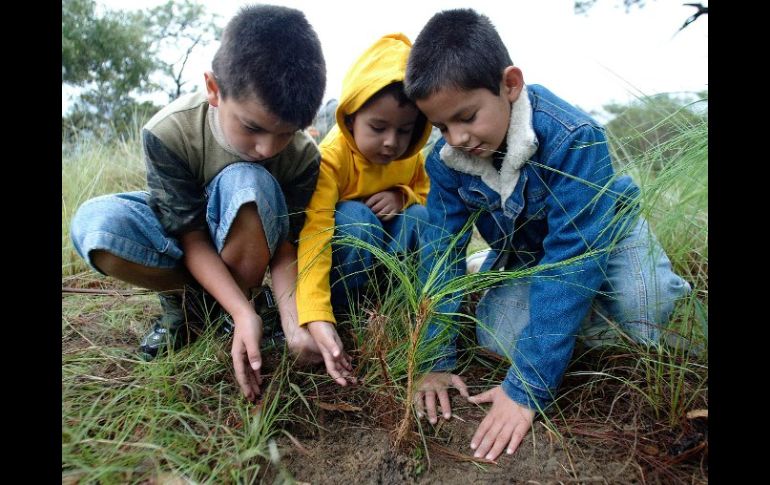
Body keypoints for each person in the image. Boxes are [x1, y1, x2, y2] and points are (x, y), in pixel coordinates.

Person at [403, 9, 691, 461]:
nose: (456, 138)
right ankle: (563, 313)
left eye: (467, 117)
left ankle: (617, 299)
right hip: (530, 255)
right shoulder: (444, 161)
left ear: (511, 85)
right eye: (440, 127)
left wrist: (527, 387)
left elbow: (574, 260)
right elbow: (441, 255)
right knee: (495, 338)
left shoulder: (575, 136)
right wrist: (434, 359)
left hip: (600, 236)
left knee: (646, 311)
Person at [69, 4, 327, 402]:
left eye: (286, 134)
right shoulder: (168, 132)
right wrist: (244, 313)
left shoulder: (304, 156)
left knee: (249, 182)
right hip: (189, 237)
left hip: (253, 238)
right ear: (213, 88)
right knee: (96, 225)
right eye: (253, 127)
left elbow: (286, 247)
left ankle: (237, 310)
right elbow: (189, 236)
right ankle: (196, 311)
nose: (267, 148)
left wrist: (295, 324)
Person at [296, 33, 432, 386]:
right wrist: (314, 313)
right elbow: (316, 231)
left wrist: (403, 195)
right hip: (346, 264)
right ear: (350, 116)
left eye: (404, 130)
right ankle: (345, 318)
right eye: (378, 127)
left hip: (387, 264)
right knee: (357, 219)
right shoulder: (331, 157)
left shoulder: (410, 157)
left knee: (418, 217)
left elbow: (426, 194)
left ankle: (394, 311)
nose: (391, 142)